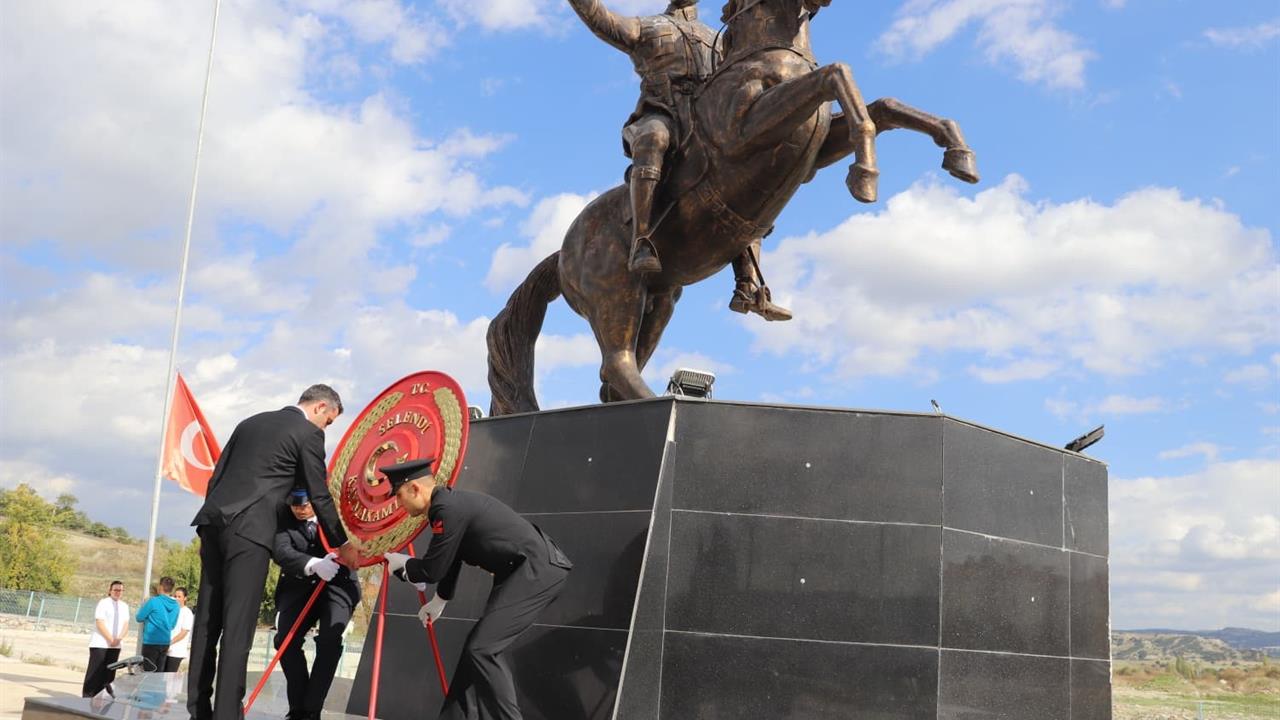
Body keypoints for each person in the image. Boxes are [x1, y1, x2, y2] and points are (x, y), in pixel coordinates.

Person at [567, 0, 792, 321]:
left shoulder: (718, 39)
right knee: (654, 139)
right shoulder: (646, 27)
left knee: (749, 174)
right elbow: (599, 19)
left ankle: (747, 285)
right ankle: (642, 239)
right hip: (662, 113)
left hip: (708, 122)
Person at [187, 384, 360, 720]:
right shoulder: (308, 434)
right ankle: (226, 715)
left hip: (213, 525)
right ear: (320, 407)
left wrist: (210, 528)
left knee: (207, 623)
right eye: (329, 421)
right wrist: (342, 543)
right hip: (250, 532)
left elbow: (216, 478)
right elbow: (319, 493)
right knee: (237, 628)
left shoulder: (249, 422)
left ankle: (199, 711)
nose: (326, 428)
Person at [383, 459, 573, 720]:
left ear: (415, 488)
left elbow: (432, 570)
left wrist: (403, 565)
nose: (399, 505)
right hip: (521, 572)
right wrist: (440, 600)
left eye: (399, 496)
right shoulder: (447, 506)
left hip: (537, 570)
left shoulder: (446, 508)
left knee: (482, 650)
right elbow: (452, 558)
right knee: (473, 658)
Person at [271, 488, 361, 720]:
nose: (300, 510)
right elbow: (280, 550)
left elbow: (360, 536)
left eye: (305, 504)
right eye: (295, 505)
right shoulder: (283, 518)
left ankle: (311, 709)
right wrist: (313, 563)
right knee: (285, 641)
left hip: (338, 586)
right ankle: (298, 708)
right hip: (299, 587)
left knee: (330, 641)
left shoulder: (337, 511)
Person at [82, 580, 129, 697]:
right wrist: (110, 638)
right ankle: (88, 696)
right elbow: (100, 622)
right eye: (116, 590)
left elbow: (126, 624)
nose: (118, 592)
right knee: (95, 672)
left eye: (121, 590)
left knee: (109, 673)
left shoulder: (124, 606)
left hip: (116, 645)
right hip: (101, 643)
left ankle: (104, 696)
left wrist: (119, 638)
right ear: (110, 591)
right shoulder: (104, 603)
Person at [135, 576, 180, 672]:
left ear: (160, 587)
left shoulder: (154, 601)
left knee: (148, 672)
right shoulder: (176, 605)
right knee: (159, 674)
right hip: (165, 642)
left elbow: (139, 617)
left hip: (151, 641)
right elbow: (172, 625)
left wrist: (146, 612)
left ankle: (148, 687)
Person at [165, 587, 194, 672]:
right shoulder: (171, 610)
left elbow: (184, 632)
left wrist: (170, 642)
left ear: (185, 598)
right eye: (175, 596)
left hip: (176, 652)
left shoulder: (187, 613)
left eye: (179, 596)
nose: (176, 598)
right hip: (165, 649)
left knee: (169, 677)